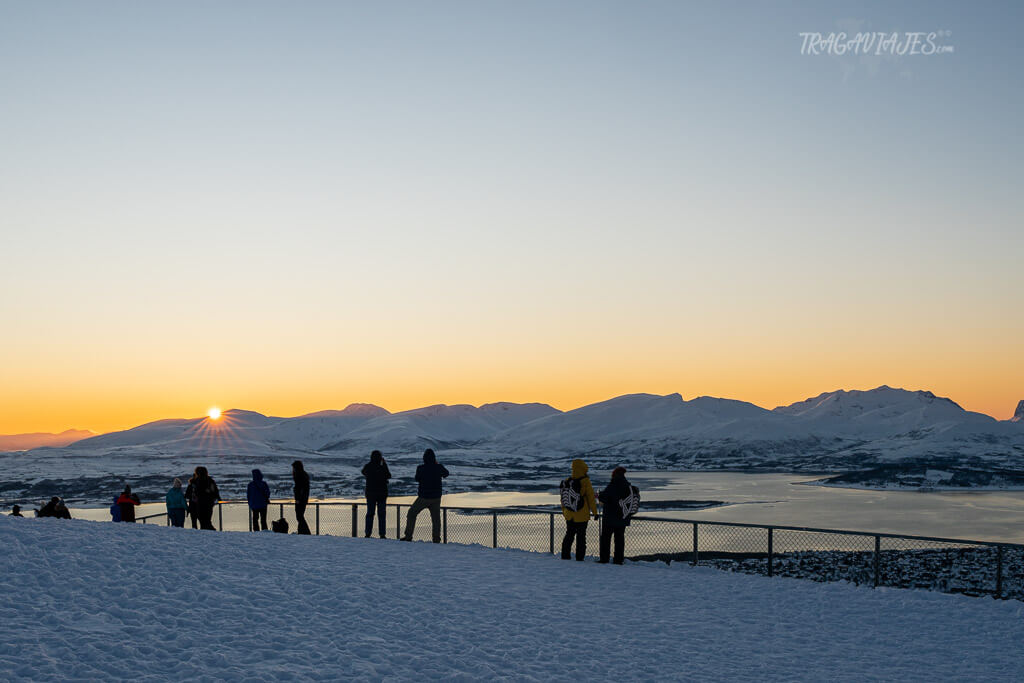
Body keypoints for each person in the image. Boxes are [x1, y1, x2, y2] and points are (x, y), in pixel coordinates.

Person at [402, 449, 449, 543]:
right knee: (436, 519)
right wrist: (437, 465)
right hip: (436, 498)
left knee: (411, 513)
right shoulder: (438, 467)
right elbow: (446, 474)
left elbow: (417, 479)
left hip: (423, 497)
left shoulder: (421, 468)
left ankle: (408, 536)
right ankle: (436, 539)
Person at [560, 458, 599, 561]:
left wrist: (564, 511)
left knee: (569, 535)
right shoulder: (585, 481)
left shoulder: (568, 481)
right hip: (582, 515)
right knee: (581, 537)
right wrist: (595, 513)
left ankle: (565, 555)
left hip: (569, 514)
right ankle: (579, 557)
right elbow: (591, 498)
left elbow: (563, 498)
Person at [597, 466, 634, 565]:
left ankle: (604, 558)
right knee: (619, 539)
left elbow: (605, 498)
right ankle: (618, 559)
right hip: (623, 517)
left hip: (610, 517)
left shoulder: (612, 485)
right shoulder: (627, 486)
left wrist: (599, 495)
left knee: (605, 538)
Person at [361, 450, 391, 538]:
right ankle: (382, 534)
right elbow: (388, 475)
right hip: (382, 494)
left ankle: (368, 533)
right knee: (381, 515)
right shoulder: (382, 467)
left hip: (370, 494)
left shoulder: (368, 466)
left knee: (370, 513)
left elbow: (363, 472)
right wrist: (384, 464)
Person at [191, 466, 221, 530]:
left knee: (202, 520)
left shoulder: (196, 481)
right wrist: (216, 498)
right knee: (207, 519)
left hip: (200, 503)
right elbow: (215, 491)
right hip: (209, 503)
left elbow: (195, 492)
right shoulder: (210, 480)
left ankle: (207, 531)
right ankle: (210, 530)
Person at [292, 460, 311, 535]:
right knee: (300, 516)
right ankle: (302, 531)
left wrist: (298, 499)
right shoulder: (303, 475)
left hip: (300, 500)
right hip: (303, 499)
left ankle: (305, 532)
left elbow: (300, 489)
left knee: (299, 516)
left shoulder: (300, 476)